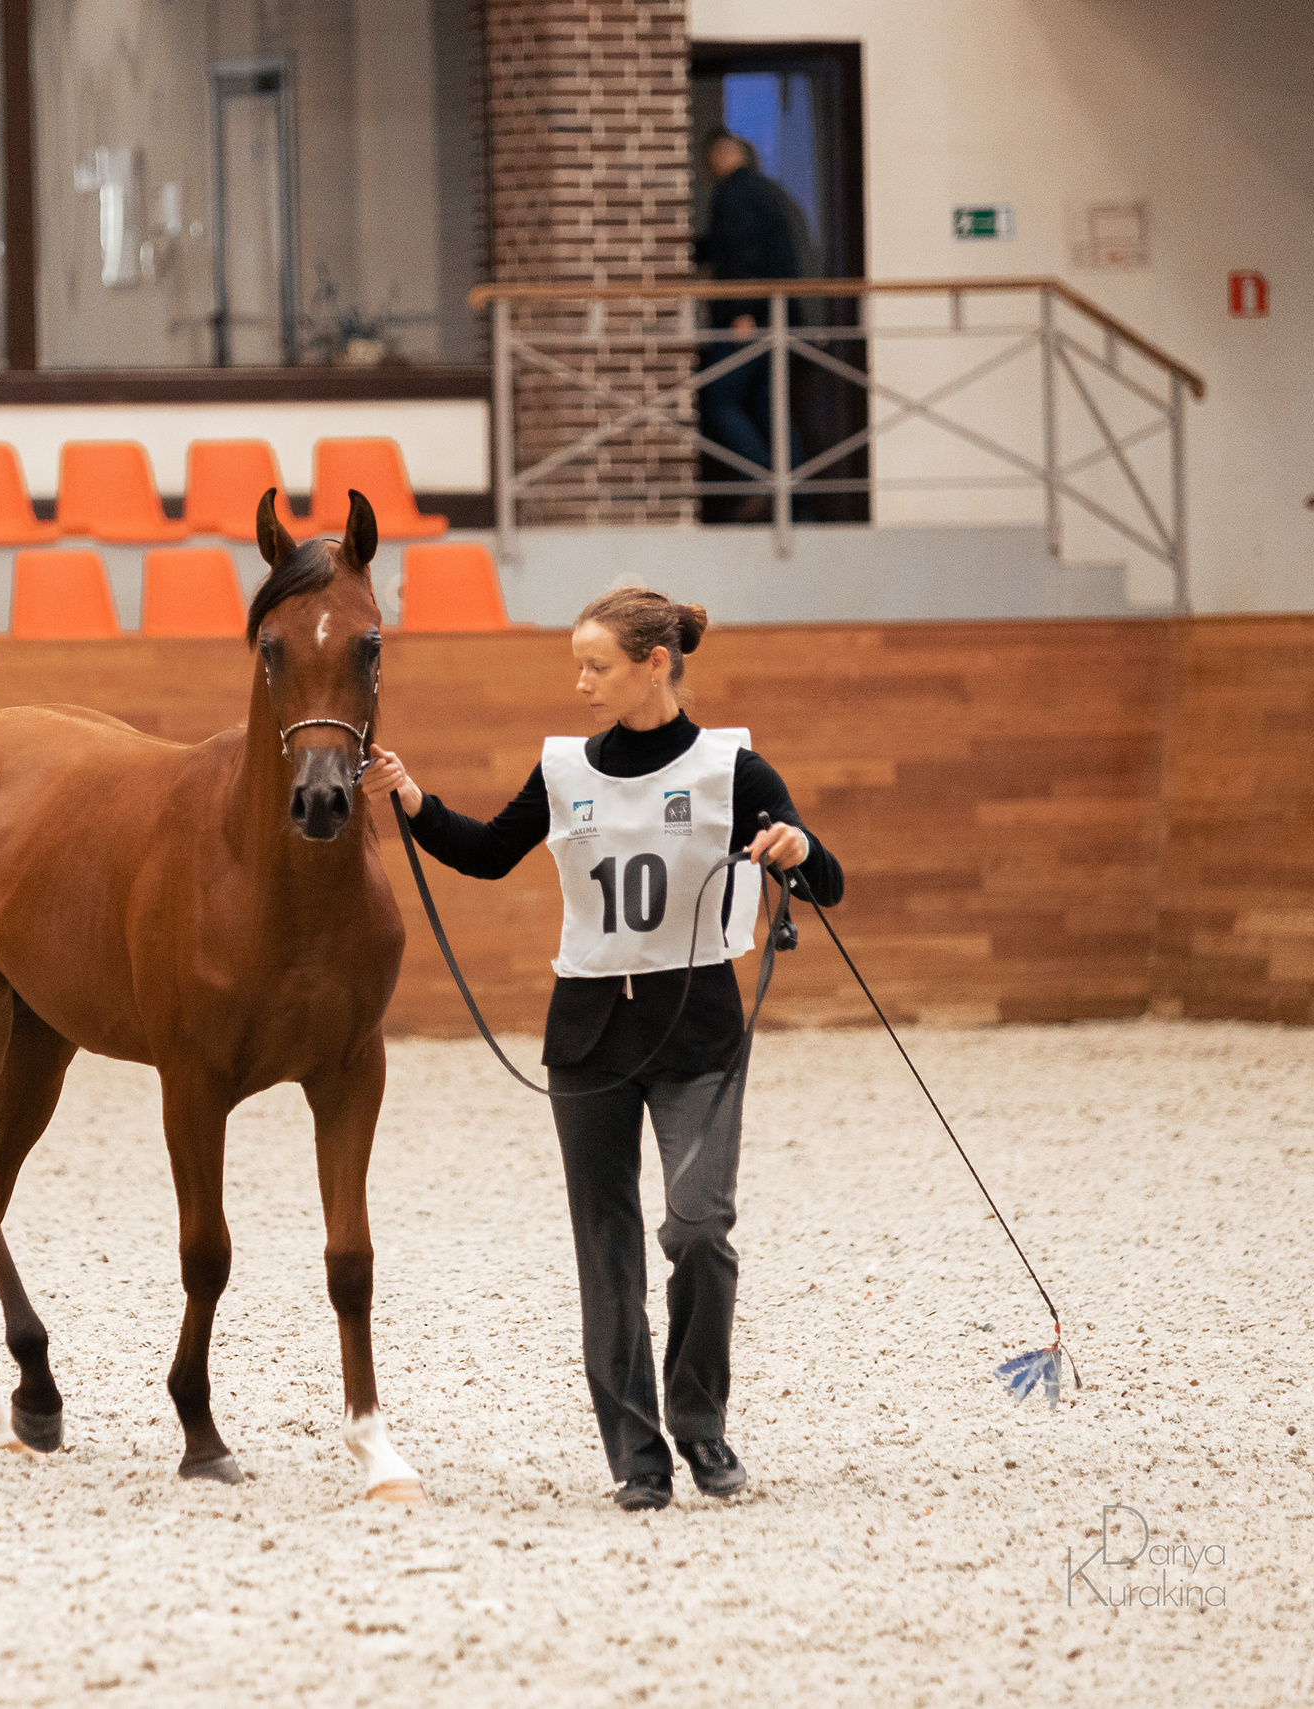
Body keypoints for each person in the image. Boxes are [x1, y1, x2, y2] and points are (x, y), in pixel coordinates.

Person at [358, 587, 844, 1512]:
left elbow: (827, 881)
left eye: (597, 665)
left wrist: (796, 846)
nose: (580, 682)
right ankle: (637, 1452)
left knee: (698, 1229)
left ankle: (700, 1425)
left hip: (698, 1028)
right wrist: (412, 799)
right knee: (606, 1244)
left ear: (653, 664)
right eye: (577, 665)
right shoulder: (565, 769)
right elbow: (489, 851)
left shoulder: (733, 770)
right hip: (586, 1032)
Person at [693, 129, 803, 522]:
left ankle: (763, 479)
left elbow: (742, 253)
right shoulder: (764, 191)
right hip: (779, 319)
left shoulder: (733, 194)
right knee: (772, 408)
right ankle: (796, 503)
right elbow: (734, 247)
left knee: (716, 398)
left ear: (720, 156)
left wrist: (742, 310)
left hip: (751, 321)